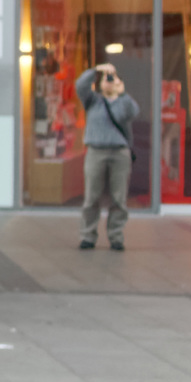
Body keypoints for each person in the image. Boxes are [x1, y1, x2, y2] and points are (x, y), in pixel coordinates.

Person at [77, 61, 137, 250]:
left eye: (113, 79)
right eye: (106, 80)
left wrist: (122, 93)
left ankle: (116, 236)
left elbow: (133, 112)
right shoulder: (93, 100)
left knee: (119, 198)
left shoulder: (123, 102)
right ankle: (88, 235)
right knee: (91, 197)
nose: (109, 82)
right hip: (96, 151)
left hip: (119, 153)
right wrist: (96, 71)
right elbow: (80, 85)